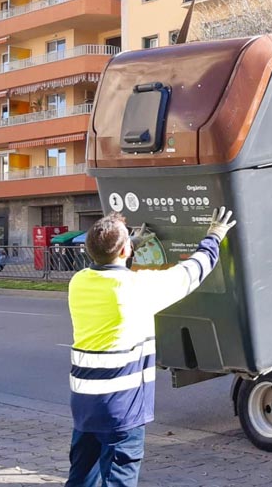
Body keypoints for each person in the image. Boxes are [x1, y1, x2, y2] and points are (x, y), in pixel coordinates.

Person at [64, 207, 236, 487]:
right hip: (122, 411)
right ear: (124, 251)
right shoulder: (137, 288)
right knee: (119, 479)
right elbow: (192, 272)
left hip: (85, 407)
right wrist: (214, 235)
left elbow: (109, 273)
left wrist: (129, 248)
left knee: (82, 477)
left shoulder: (79, 282)